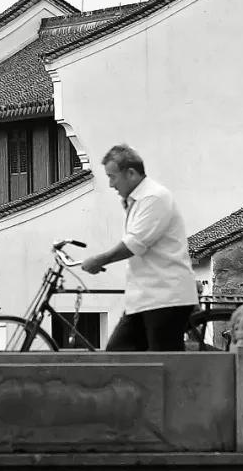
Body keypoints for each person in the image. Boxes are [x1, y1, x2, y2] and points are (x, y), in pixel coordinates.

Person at [80, 144, 198, 352]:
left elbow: (135, 243)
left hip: (166, 297)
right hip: (145, 298)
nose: (110, 184)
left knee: (163, 363)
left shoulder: (154, 198)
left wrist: (100, 260)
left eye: (113, 176)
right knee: (118, 355)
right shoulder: (136, 200)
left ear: (131, 173)